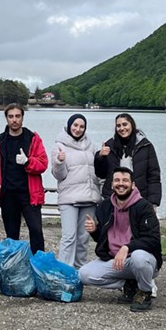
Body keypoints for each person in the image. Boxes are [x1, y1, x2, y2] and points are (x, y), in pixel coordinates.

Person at [78, 167, 163, 313]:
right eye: (117, 180)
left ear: (133, 185)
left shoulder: (144, 207)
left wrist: (128, 247)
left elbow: (153, 240)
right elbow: (104, 240)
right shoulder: (105, 207)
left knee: (139, 258)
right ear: (111, 185)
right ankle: (129, 284)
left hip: (141, 259)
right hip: (116, 260)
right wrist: (94, 231)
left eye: (125, 180)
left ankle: (144, 292)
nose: (121, 184)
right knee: (84, 274)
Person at [0, 103, 48, 254]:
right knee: (11, 235)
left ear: (22, 117)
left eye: (17, 116)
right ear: (6, 119)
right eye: (11, 116)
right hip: (8, 194)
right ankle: (14, 268)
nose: (14, 120)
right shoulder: (0, 140)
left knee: (36, 231)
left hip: (29, 194)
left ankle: (39, 265)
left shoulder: (33, 138)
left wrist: (28, 161)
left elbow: (43, 164)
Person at [51, 113, 102, 268]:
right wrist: (59, 161)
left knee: (83, 236)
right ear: (69, 125)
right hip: (69, 199)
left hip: (89, 197)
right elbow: (59, 175)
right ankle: (64, 270)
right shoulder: (59, 146)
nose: (78, 129)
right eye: (75, 125)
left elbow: (98, 171)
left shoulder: (91, 146)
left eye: (81, 126)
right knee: (69, 236)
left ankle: (80, 269)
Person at [94, 113, 162, 207]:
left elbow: (153, 176)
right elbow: (101, 174)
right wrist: (100, 157)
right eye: (118, 126)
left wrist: (153, 202)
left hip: (139, 198)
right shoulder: (109, 146)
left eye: (125, 124)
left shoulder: (145, 146)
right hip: (113, 198)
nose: (122, 128)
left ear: (132, 125)